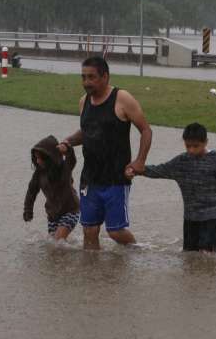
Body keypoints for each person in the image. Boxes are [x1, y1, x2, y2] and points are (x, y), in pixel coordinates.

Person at [58, 57, 152, 250]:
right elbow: (87, 132)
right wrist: (68, 142)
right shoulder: (84, 102)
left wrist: (140, 161)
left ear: (105, 77)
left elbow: (146, 130)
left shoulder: (122, 98)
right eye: (83, 77)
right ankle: (94, 277)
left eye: (91, 77)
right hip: (90, 179)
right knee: (89, 231)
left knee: (115, 231)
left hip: (116, 178)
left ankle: (138, 252)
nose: (86, 82)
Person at [132, 123, 216, 253]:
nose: (191, 150)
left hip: (213, 214)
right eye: (188, 146)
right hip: (191, 215)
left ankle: (213, 273)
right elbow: (160, 170)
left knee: (208, 253)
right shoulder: (181, 161)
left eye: (196, 146)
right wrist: (137, 170)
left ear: (206, 142)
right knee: (189, 253)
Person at [23, 135, 80, 241]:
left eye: (41, 158)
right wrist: (28, 210)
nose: (38, 161)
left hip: (71, 210)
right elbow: (31, 192)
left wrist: (68, 150)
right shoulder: (38, 173)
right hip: (53, 214)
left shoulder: (63, 168)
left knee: (58, 241)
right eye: (36, 158)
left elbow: (71, 160)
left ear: (50, 156)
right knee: (53, 247)